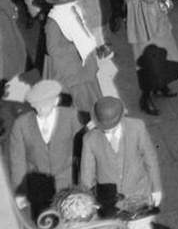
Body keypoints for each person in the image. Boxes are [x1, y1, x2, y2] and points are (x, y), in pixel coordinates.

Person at [8, 79, 79, 220]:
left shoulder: (72, 117)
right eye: (35, 107)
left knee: (73, 222)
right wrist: (20, 191)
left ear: (56, 101)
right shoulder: (21, 125)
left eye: (43, 106)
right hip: (38, 186)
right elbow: (18, 161)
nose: (39, 111)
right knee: (45, 225)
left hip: (68, 181)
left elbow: (84, 150)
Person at [79, 96, 162, 215]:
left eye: (113, 127)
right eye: (105, 127)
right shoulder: (89, 139)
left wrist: (156, 188)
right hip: (110, 202)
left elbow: (150, 158)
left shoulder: (137, 127)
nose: (108, 130)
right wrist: (89, 202)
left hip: (140, 193)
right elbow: (87, 175)